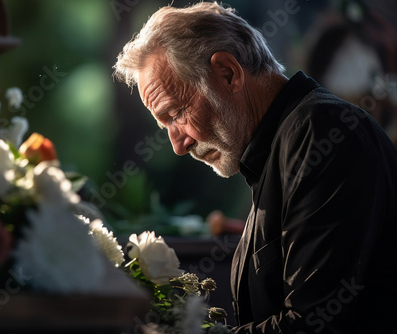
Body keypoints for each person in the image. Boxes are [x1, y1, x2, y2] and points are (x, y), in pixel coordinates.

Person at [113, 2, 397, 333]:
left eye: (176, 114)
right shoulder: (285, 146)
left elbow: (315, 324)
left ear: (228, 73)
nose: (179, 145)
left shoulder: (320, 133)